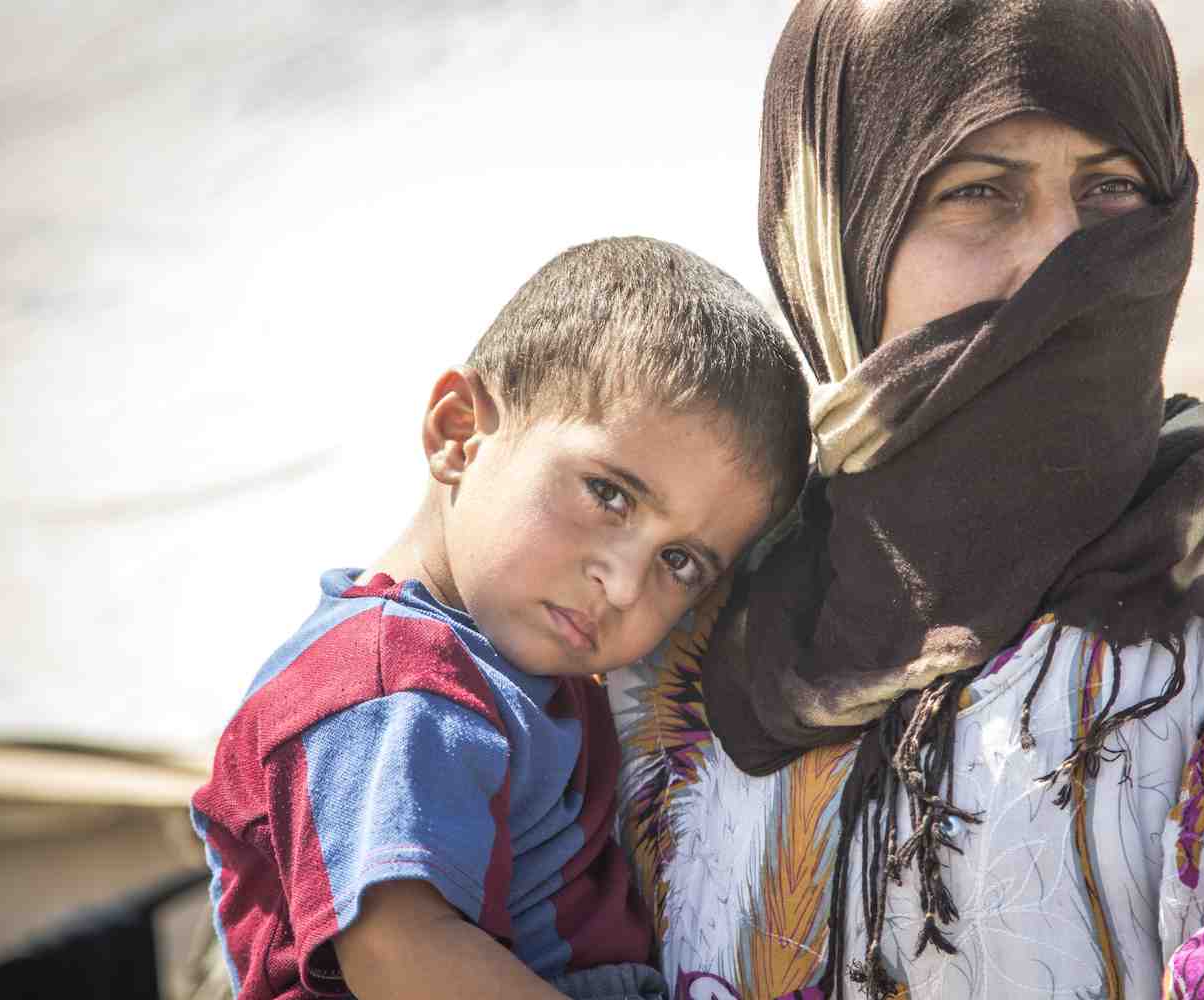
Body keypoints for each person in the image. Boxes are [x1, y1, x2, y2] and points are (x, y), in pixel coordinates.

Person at [606, 3, 1204, 999]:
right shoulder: (674, 619)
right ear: (835, 238)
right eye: (979, 190)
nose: (1058, 257)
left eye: (1113, 187)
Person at [190, 236, 812, 1000]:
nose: (621, 584)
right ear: (458, 433)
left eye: (679, 562)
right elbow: (399, 950)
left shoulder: (513, 671)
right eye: (609, 494)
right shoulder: (388, 685)